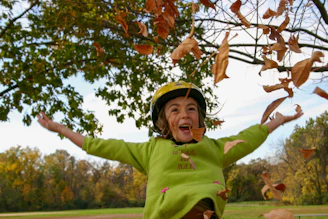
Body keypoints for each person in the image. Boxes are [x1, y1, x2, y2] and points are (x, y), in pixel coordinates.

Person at [37, 81, 303, 219]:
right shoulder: (152, 150)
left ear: (199, 119)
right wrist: (62, 130)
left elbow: (248, 138)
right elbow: (104, 147)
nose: (184, 114)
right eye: (175, 110)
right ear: (165, 123)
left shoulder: (214, 147)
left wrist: (277, 121)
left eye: (191, 109)